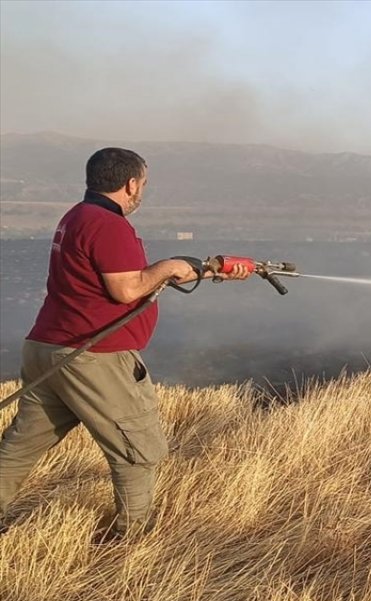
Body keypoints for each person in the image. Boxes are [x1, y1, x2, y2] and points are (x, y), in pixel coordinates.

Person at [0, 147, 251, 540]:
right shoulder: (108, 225)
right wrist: (168, 266)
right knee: (138, 452)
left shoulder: (76, 217)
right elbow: (127, 288)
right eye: (143, 184)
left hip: (49, 347)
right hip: (93, 357)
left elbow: (129, 277)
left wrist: (213, 268)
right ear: (131, 183)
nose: (142, 193)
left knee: (22, 444)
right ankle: (131, 541)